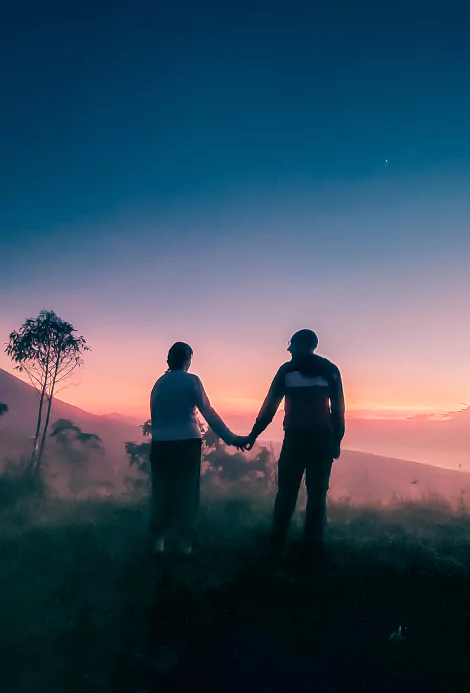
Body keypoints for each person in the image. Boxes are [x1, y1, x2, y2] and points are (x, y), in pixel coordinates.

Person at [246, 329, 345, 554]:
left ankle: (276, 541)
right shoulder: (331, 371)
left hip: (295, 439)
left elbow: (269, 407)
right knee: (317, 493)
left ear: (299, 345)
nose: (289, 350)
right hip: (322, 439)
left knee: (287, 491)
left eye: (291, 345)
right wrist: (336, 440)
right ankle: (313, 545)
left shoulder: (287, 371)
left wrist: (254, 434)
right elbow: (338, 410)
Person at [150, 342, 245, 555]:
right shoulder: (192, 380)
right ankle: (185, 544)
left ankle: (159, 543)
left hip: (160, 445)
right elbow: (208, 413)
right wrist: (231, 438)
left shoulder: (159, 383)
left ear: (169, 359)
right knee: (187, 493)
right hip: (186, 444)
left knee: (162, 491)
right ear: (188, 359)